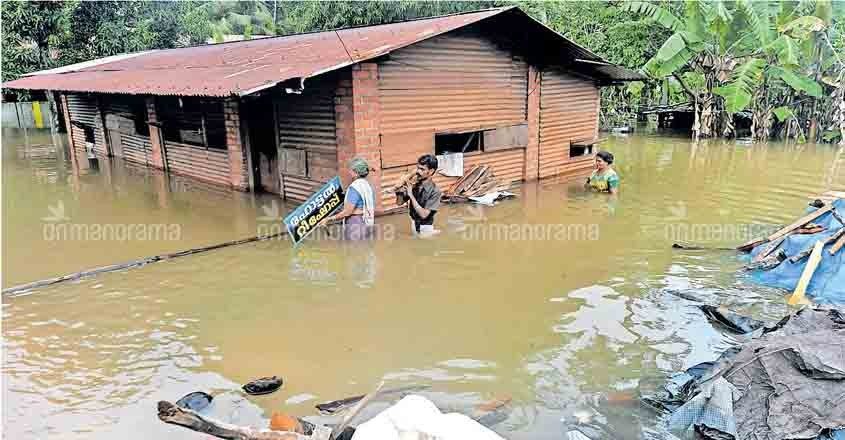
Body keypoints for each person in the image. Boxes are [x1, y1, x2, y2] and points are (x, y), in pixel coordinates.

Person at [324, 157, 375, 240]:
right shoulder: (367, 185)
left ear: (356, 173)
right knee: (364, 250)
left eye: (350, 170)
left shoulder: (354, 188)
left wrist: (329, 219)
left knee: (353, 250)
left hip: (355, 224)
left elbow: (347, 212)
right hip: (366, 223)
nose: (349, 171)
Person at [396, 154, 442, 236]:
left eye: (422, 169)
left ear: (431, 171)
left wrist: (411, 195)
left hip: (425, 228)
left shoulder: (435, 191)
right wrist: (399, 191)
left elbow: (424, 215)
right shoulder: (414, 185)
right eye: (417, 168)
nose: (418, 171)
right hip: (413, 223)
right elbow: (399, 203)